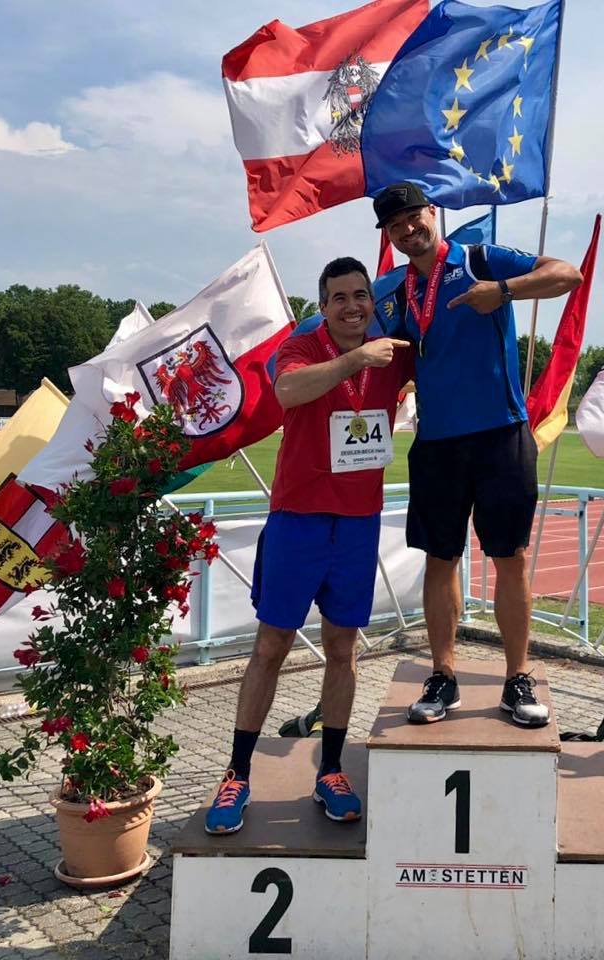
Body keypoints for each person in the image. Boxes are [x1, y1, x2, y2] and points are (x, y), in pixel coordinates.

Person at [205, 257, 413, 833]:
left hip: (358, 523)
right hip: (298, 519)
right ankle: (237, 774)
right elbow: (287, 390)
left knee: (343, 648)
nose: (351, 306)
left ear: (372, 302)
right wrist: (355, 359)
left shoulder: (393, 354)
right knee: (271, 645)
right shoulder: (303, 347)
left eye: (360, 295)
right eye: (338, 298)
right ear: (323, 307)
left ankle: (332, 770)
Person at [372, 181, 583, 728]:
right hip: (437, 442)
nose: (407, 230)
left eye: (412, 217)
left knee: (509, 558)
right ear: (389, 236)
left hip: (500, 435)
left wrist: (504, 291)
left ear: (431, 212)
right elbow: (355, 336)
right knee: (439, 560)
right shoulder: (391, 290)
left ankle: (517, 678)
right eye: (395, 226)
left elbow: (568, 275)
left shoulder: (480, 259)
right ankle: (443, 675)